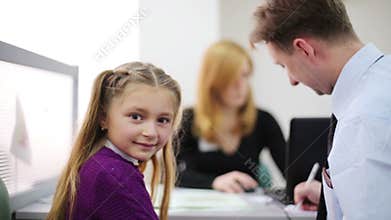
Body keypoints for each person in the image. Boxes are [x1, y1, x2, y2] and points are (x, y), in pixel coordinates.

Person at [250, 0, 391, 219]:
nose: (291, 81)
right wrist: (333, 198)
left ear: (304, 49)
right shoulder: (382, 80)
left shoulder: (362, 119)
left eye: (284, 66)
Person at [47, 62, 182, 220]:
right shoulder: (115, 177)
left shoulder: (101, 164)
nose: (151, 133)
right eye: (136, 117)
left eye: (163, 120)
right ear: (103, 117)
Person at [176, 40, 286, 193]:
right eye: (231, 77)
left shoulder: (263, 120)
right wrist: (213, 182)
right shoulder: (188, 119)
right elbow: (173, 175)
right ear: (212, 80)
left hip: (249, 210)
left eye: (245, 76)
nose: (241, 85)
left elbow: (290, 171)